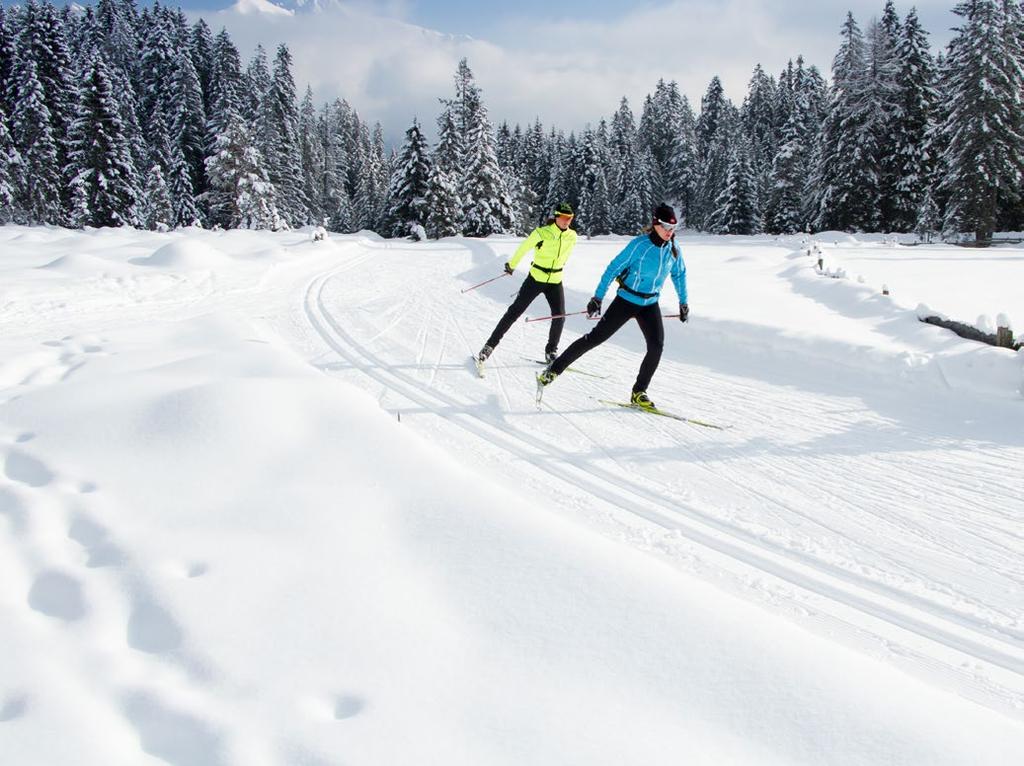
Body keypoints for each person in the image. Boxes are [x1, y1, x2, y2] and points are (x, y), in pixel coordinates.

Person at [537, 203, 688, 409]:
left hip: (650, 303)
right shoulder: (639, 246)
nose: (670, 232)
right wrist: (597, 298)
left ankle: (639, 392)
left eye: (673, 228)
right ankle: (554, 369)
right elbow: (613, 269)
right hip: (626, 301)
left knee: (656, 346)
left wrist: (683, 302)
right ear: (655, 225)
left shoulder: (673, 249)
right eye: (666, 227)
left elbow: (679, 274)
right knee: (595, 338)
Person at [476, 202, 579, 365]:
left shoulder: (572, 236)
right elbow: (523, 249)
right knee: (514, 312)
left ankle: (551, 351)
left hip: (555, 281)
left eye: (570, 218)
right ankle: (489, 346)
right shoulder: (541, 233)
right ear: (556, 217)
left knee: (559, 315)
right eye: (565, 218)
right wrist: (512, 265)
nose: (567, 221)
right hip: (536, 278)